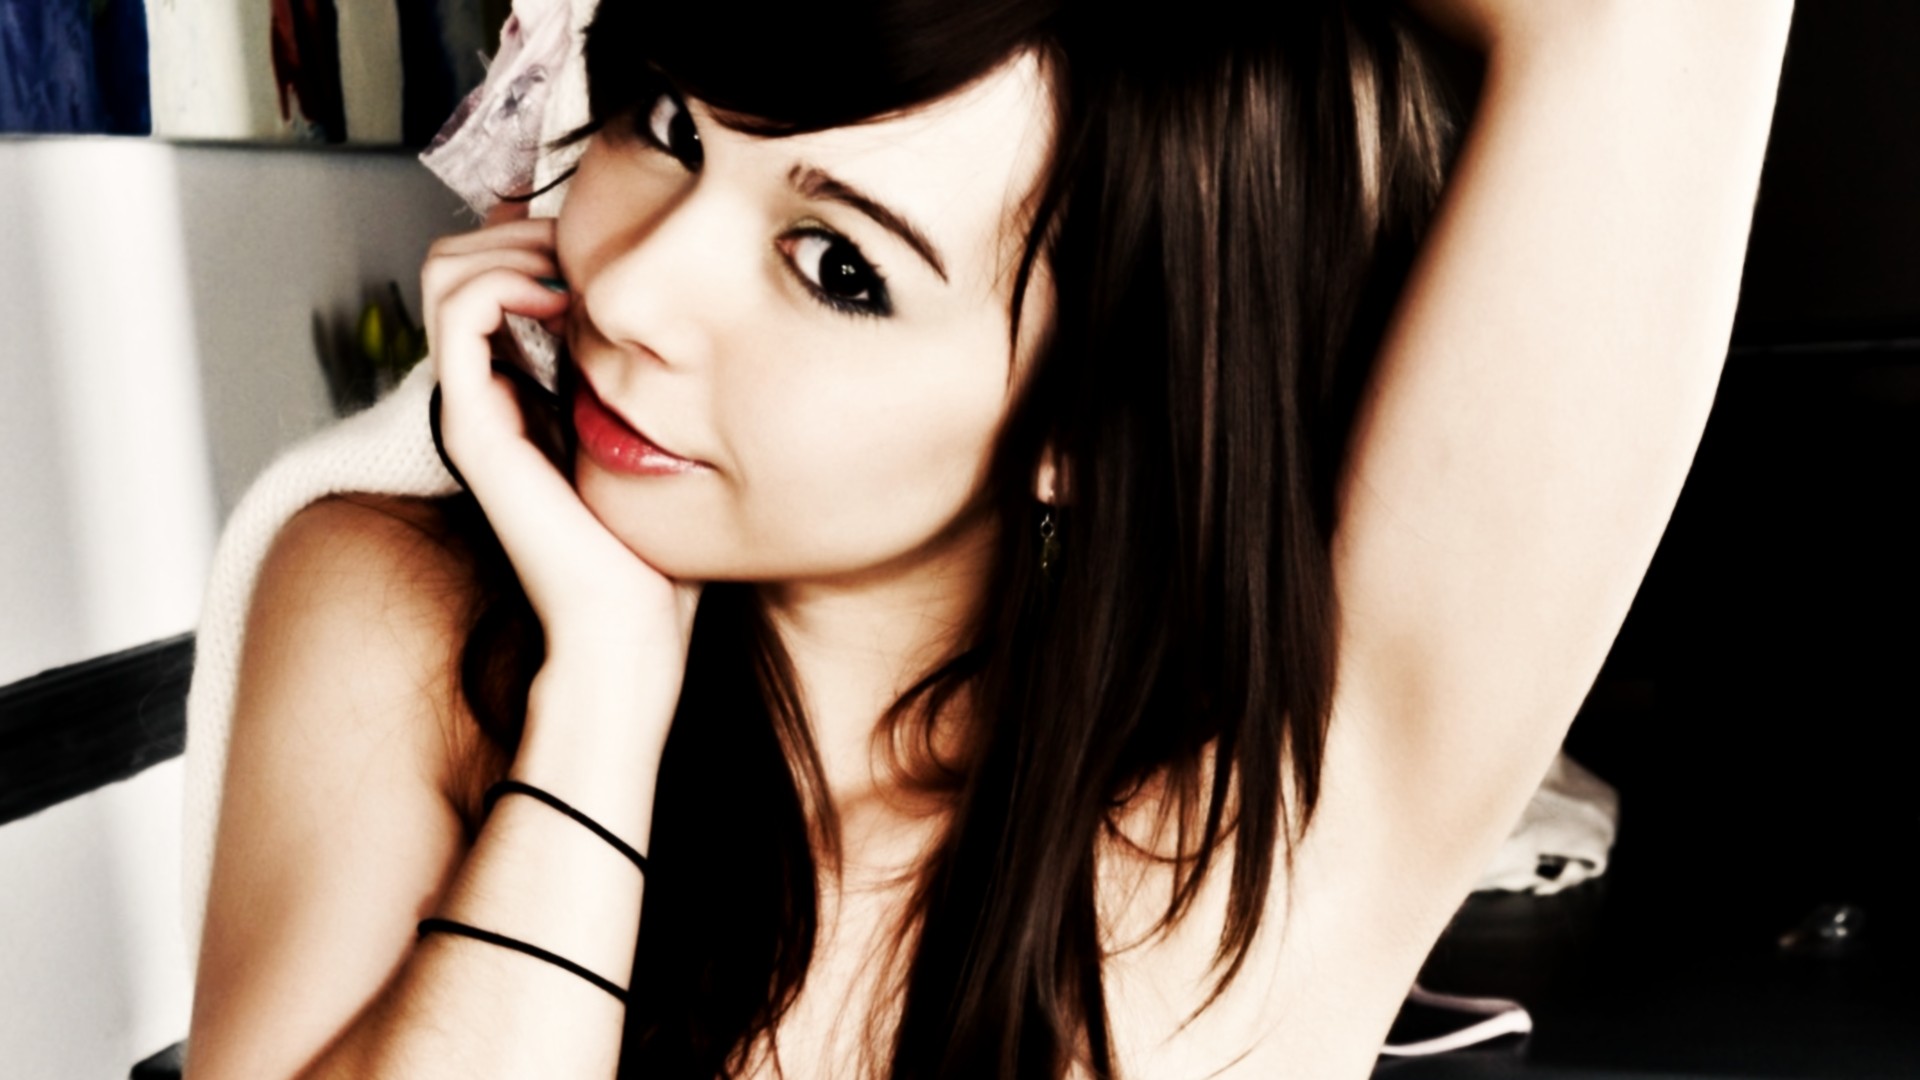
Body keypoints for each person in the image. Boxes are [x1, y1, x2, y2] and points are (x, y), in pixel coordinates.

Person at [182, 1, 1794, 1077]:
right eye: (671, 125)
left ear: (1085, 422)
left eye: (839, 268)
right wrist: (599, 710)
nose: (635, 286)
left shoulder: (1279, 827)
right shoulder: (401, 628)